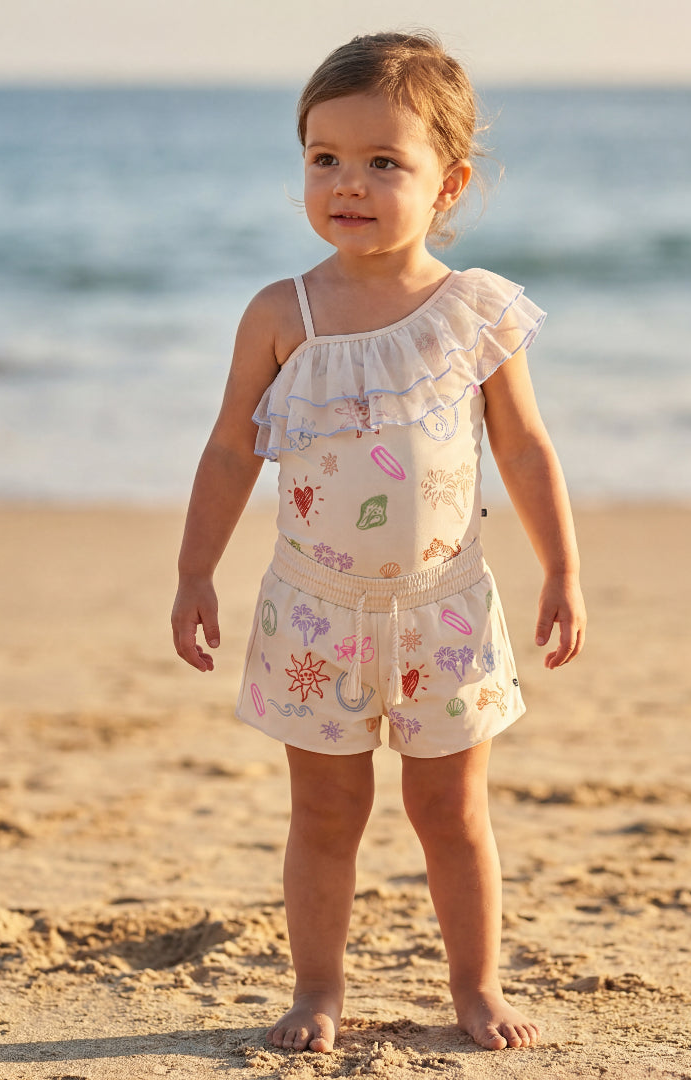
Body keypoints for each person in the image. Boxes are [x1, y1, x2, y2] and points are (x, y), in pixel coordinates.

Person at [172, 30, 585, 1054]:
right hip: (314, 608)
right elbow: (231, 452)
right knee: (325, 813)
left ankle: (477, 987)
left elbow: (525, 449)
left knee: (451, 810)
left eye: (382, 163)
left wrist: (563, 568)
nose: (347, 184)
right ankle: (318, 989)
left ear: (449, 182)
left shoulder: (474, 312)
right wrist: (194, 572)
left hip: (447, 607)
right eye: (324, 159)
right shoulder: (283, 315)